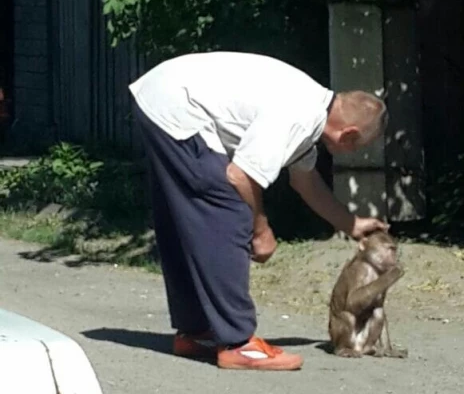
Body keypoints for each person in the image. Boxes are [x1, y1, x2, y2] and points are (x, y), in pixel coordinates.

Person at [129, 51, 388, 371]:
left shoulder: (312, 108)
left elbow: (305, 181)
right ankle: (238, 343)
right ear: (348, 135)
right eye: (358, 147)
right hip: (176, 104)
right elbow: (241, 175)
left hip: (164, 96)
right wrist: (261, 230)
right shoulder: (298, 114)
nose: (354, 153)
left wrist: (351, 223)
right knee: (228, 208)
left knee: (191, 216)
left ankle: (197, 332)